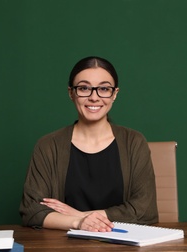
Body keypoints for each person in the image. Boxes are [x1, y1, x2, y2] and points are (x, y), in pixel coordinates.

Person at [19, 56, 158, 232]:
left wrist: (79, 214)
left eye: (104, 89)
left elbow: (145, 210)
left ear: (115, 94)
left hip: (124, 247)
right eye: (84, 88)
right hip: (64, 248)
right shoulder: (48, 145)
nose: (94, 97)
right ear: (71, 93)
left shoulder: (134, 142)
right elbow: (32, 211)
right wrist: (78, 222)